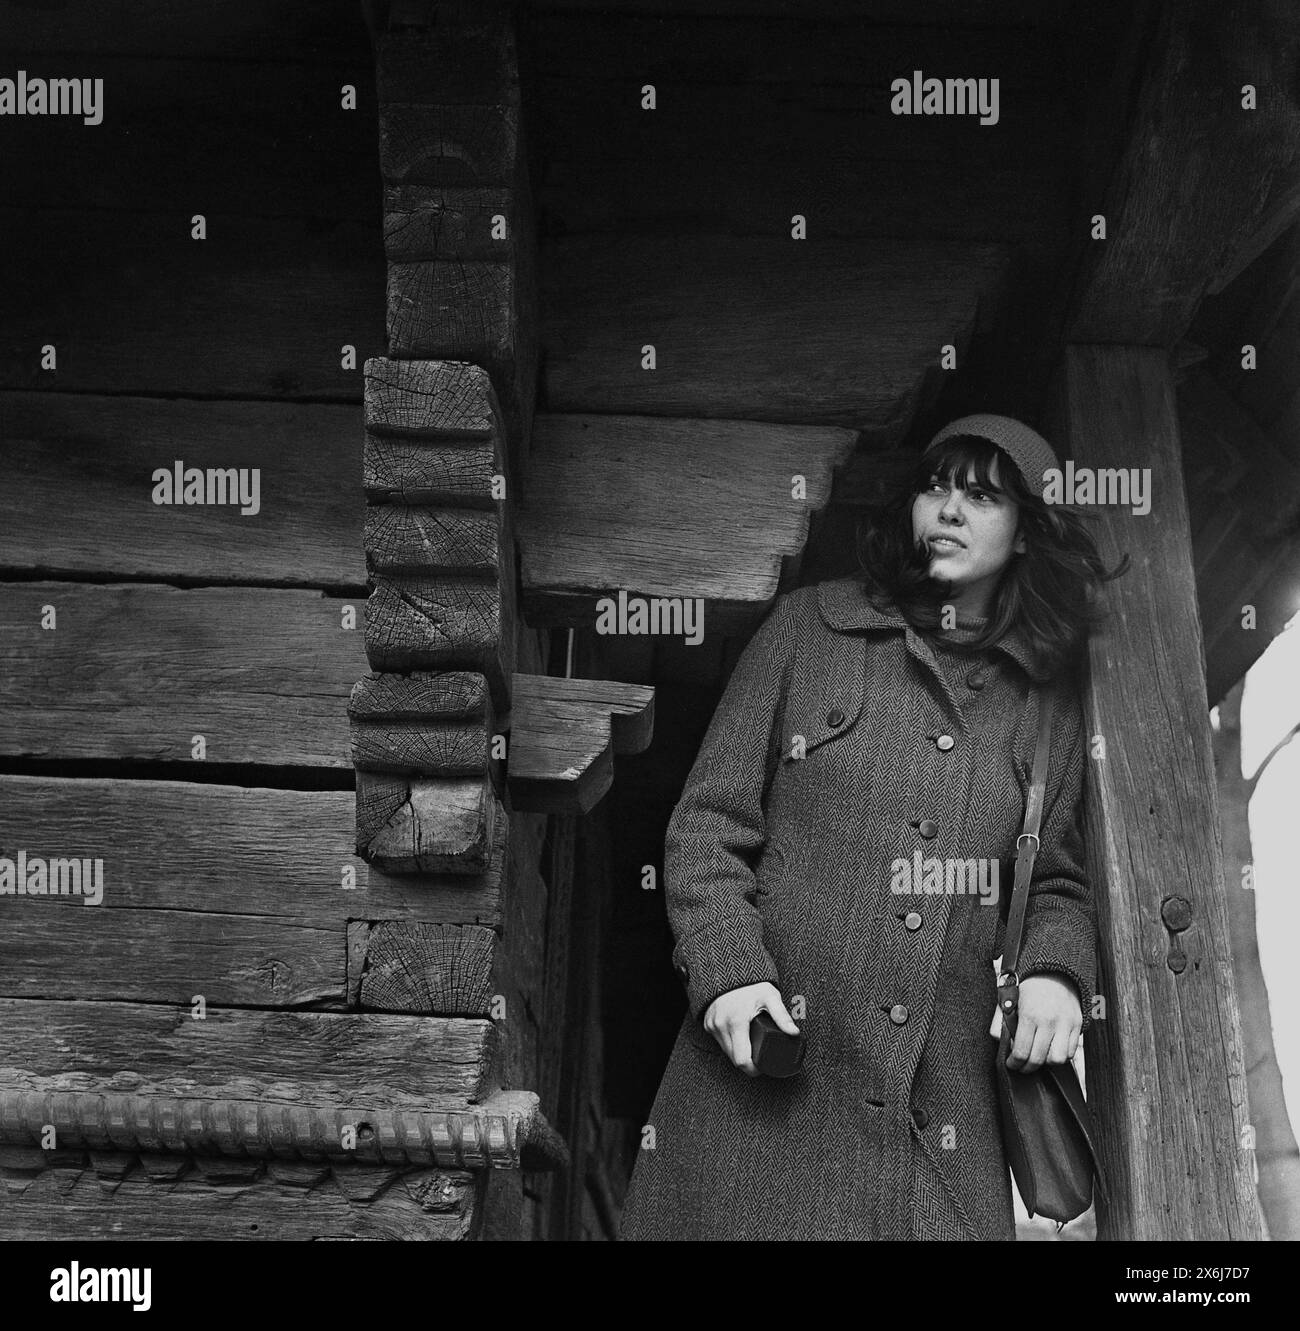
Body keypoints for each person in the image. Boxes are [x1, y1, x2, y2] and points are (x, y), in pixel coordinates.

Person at [619, 414, 1125, 1242]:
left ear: (1028, 531)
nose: (951, 510)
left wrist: (1055, 973)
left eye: (983, 496)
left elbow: (1056, 879)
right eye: (937, 487)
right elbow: (709, 826)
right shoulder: (808, 627)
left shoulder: (1045, 703)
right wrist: (729, 974)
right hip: (760, 1092)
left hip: (937, 1126)